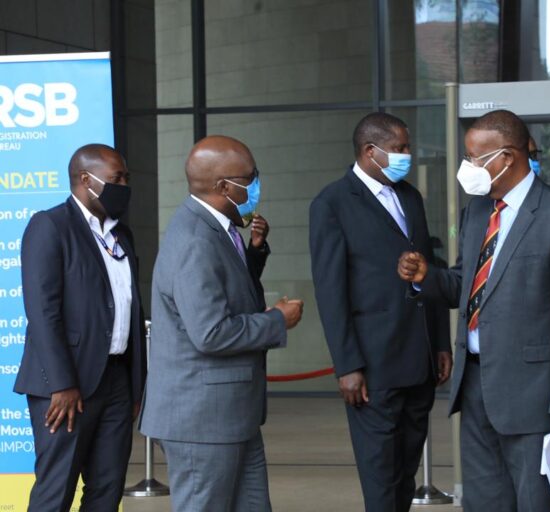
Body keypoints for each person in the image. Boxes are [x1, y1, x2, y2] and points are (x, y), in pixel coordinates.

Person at [398, 109, 550, 512]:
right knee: (485, 502)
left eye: (474, 158)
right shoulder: (476, 213)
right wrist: (426, 277)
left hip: (534, 395)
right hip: (476, 385)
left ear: (506, 157)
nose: (467, 167)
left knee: (534, 503)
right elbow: (465, 284)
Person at [139, 135, 303, 512]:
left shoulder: (221, 231)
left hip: (232, 416)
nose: (257, 184)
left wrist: (255, 252)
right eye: (251, 177)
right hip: (202, 422)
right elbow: (210, 333)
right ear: (223, 187)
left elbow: (228, 288)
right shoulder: (195, 240)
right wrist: (276, 320)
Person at [309, 112, 451, 512]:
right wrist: (346, 366)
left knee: (404, 472)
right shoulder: (332, 203)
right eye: (400, 149)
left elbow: (430, 269)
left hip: (419, 359)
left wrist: (440, 341)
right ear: (371, 152)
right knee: (380, 476)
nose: (408, 155)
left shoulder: (410, 196)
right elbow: (330, 291)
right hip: (373, 368)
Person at [14, 144, 146, 511]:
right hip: (66, 387)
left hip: (117, 380)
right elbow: (43, 311)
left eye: (126, 178)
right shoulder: (50, 225)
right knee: (56, 490)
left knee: (107, 489)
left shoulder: (122, 234)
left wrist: (136, 383)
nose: (124, 185)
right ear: (86, 180)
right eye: (116, 178)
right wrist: (63, 383)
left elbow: (130, 309)